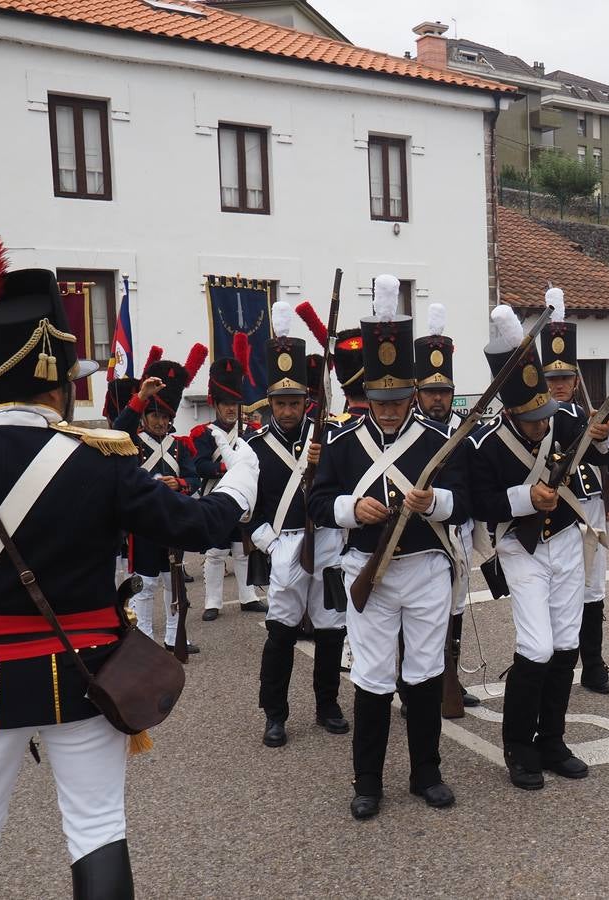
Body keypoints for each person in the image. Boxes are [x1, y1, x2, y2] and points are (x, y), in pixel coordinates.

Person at [0, 239, 257, 895]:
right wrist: (241, 479)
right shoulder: (98, 461)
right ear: (60, 382)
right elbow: (197, 526)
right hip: (85, 677)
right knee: (97, 830)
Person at [311, 276, 469, 820]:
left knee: (424, 674)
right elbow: (317, 501)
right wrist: (350, 510)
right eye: (380, 400)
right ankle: (368, 781)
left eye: (397, 399)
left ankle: (428, 772)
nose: (388, 409)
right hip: (369, 573)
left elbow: (467, 501)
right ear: (368, 396)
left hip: (426, 569)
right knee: (375, 679)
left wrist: (436, 502)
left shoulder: (435, 440)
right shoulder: (341, 442)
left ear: (411, 394)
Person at [466, 304, 609, 791]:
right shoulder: (488, 444)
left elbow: (598, 454)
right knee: (536, 645)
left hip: (569, 542)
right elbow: (478, 501)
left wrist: (603, 436)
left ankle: (552, 738)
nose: (541, 424)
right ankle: (519, 746)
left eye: (544, 416)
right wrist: (523, 498)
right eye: (531, 418)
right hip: (521, 549)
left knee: (568, 642)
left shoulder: (564, 421)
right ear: (510, 411)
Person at [246, 301, 348, 749]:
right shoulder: (253, 447)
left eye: (295, 402)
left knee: (330, 630)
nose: (288, 410)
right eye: (281, 402)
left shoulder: (326, 438)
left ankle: (327, 704)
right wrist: (269, 546)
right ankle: (275, 713)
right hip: (285, 545)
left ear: (307, 401)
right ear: (270, 403)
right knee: (281, 634)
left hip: (326, 541)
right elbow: (244, 510)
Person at [537, 288, 609, 696]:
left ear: (576, 380)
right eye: (552, 378)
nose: (559, 385)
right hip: (556, 511)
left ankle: (593, 664)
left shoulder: (592, 417)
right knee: (555, 590)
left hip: (591, 507)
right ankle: (554, 661)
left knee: (593, 591)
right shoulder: (537, 419)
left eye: (565, 377)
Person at [114, 347, 207, 654]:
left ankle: (173, 636)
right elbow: (118, 429)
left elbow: (195, 480)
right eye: (154, 414)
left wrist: (178, 482)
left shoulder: (181, 446)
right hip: (144, 525)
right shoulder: (132, 440)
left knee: (174, 584)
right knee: (145, 585)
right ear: (145, 414)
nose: (159, 421)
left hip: (173, 522)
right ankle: (143, 638)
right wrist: (140, 397)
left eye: (165, 416)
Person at [411, 302, 481, 713]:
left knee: (455, 609)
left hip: (460, 531)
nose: (438, 399)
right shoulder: (407, 432)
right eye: (431, 391)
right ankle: (419, 684)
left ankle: (449, 676)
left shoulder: (466, 430)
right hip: (422, 535)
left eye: (444, 391)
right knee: (421, 613)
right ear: (418, 392)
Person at [192, 338, 267, 621]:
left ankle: (248, 596)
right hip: (216, 497)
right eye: (225, 403)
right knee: (214, 552)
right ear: (216, 403)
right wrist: (227, 470)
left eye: (234, 403)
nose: (230, 409)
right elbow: (198, 465)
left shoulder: (250, 433)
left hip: (243, 499)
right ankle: (213, 602)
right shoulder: (203, 433)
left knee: (241, 548)